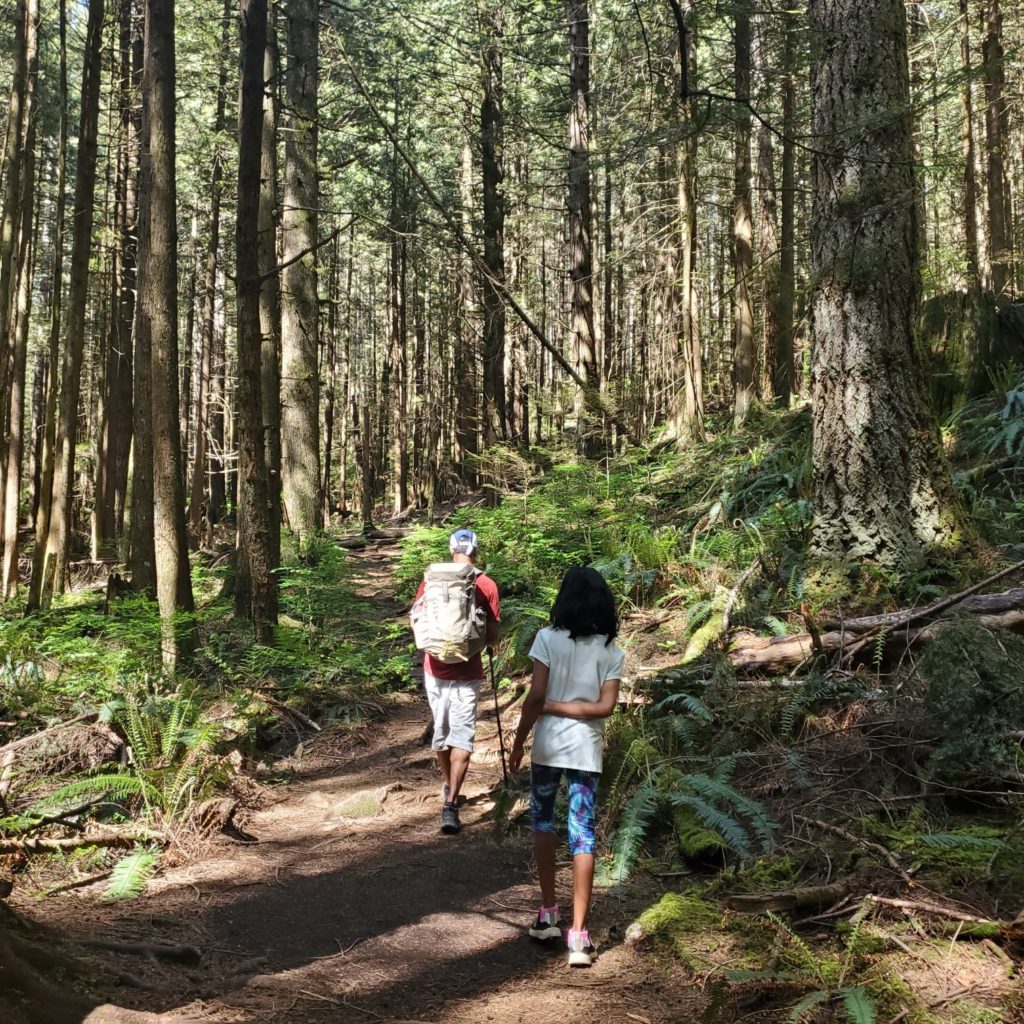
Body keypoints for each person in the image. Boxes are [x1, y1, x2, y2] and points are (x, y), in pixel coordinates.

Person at [509, 566, 625, 968]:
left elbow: (536, 697)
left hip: (547, 747)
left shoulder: (546, 640)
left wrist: (520, 741)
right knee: (583, 834)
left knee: (543, 822)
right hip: (585, 754)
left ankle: (547, 913)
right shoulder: (611, 652)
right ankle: (579, 935)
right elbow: (604, 708)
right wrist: (578, 709)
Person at [415, 528, 500, 835]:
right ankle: (451, 805)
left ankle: (448, 784)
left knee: (442, 729)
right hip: (468, 672)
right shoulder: (486, 584)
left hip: (434, 669)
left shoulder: (432, 580)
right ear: (476, 551)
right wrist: (491, 644)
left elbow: (420, 620)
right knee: (462, 736)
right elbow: (491, 637)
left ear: (451, 550)